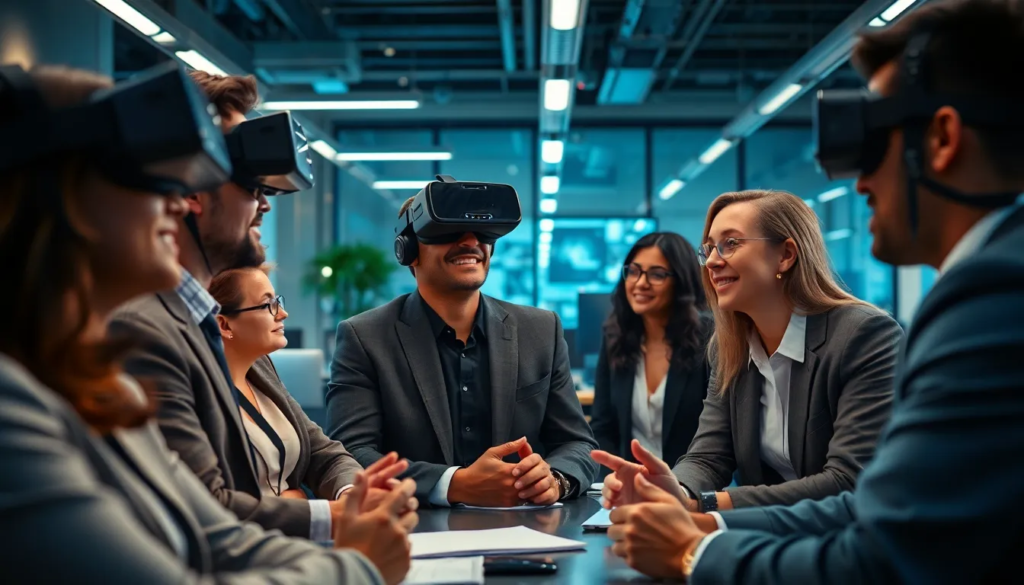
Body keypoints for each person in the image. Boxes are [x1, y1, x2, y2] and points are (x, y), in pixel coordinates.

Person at [605, 0, 1024, 581]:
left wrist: (693, 545)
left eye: (871, 144)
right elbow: (865, 511)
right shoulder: (732, 346)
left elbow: (876, 532)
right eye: (709, 248)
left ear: (944, 137)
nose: (859, 181)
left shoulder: (984, 297)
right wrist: (681, 497)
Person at [0, 62, 415, 584]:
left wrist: (348, 546)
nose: (177, 201)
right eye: (151, 177)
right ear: (66, 199)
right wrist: (356, 566)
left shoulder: (97, 383)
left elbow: (215, 540)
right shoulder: (14, 406)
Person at [109, 70, 382, 540]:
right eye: (250, 183)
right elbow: (203, 511)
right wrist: (331, 518)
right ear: (191, 191)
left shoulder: (204, 330)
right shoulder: (145, 330)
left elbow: (318, 451)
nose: (264, 203)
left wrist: (349, 495)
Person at [600, 189, 903, 512]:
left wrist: (705, 503)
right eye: (710, 249)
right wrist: (671, 489)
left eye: (731, 244)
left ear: (786, 255)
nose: (713, 262)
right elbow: (708, 455)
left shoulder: (864, 335)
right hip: (771, 539)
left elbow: (848, 480)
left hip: (850, 542)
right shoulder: (730, 346)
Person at [326, 190, 599, 507]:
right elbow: (349, 453)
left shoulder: (540, 330)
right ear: (408, 250)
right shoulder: (365, 337)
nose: (470, 241)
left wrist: (555, 480)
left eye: (482, 232)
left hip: (527, 527)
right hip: (414, 530)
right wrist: (451, 484)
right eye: (447, 231)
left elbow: (577, 442)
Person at [205, 264, 363, 503]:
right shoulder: (199, 392)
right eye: (268, 305)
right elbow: (215, 502)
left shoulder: (260, 368)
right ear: (224, 325)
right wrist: (295, 504)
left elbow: (323, 452)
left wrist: (350, 492)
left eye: (277, 300)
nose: (282, 313)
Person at [590, 232, 712, 469]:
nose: (640, 282)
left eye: (656, 274)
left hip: (690, 487)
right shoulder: (615, 337)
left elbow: (716, 440)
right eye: (634, 271)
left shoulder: (710, 339)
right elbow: (601, 427)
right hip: (628, 485)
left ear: (682, 281)